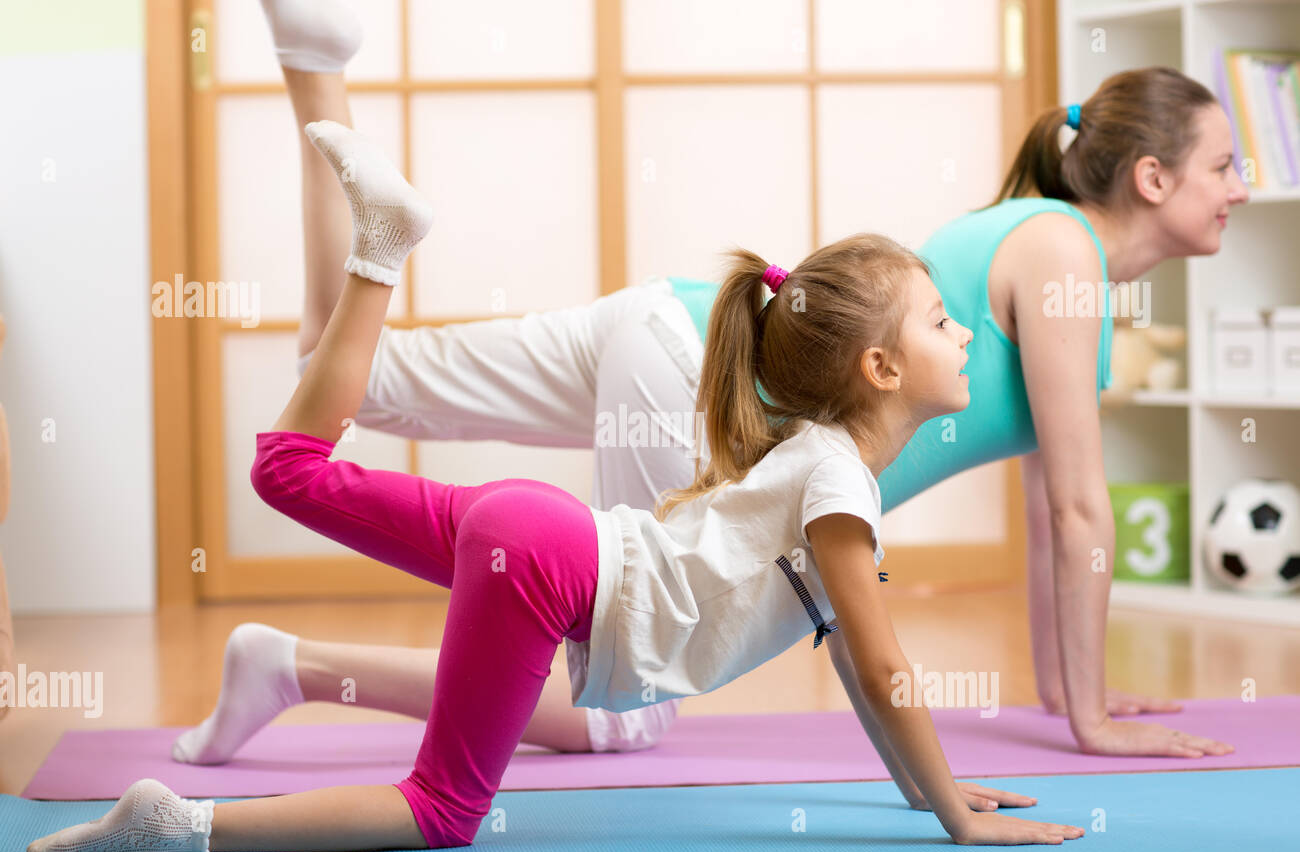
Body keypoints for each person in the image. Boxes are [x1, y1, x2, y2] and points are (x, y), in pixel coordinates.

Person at [178, 2, 1240, 761]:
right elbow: (1075, 501)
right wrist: (1090, 722)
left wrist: (1066, 694)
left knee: (347, 371)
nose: (1240, 188)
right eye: (1224, 166)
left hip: (668, 324)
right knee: (619, 707)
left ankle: (314, 64)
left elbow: (1048, 504)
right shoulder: (1064, 255)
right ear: (1151, 179)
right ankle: (292, 665)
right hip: (692, 375)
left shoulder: (1031, 236)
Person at [27, 119, 1085, 852]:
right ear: (881, 371)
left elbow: (863, 660)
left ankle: (381, 252)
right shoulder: (837, 476)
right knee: (441, 809)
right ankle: (182, 830)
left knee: (285, 468)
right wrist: (956, 816)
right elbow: (885, 657)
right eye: (946, 324)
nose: (966, 336)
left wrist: (925, 790)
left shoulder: (817, 462)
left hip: (541, 533)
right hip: (549, 563)